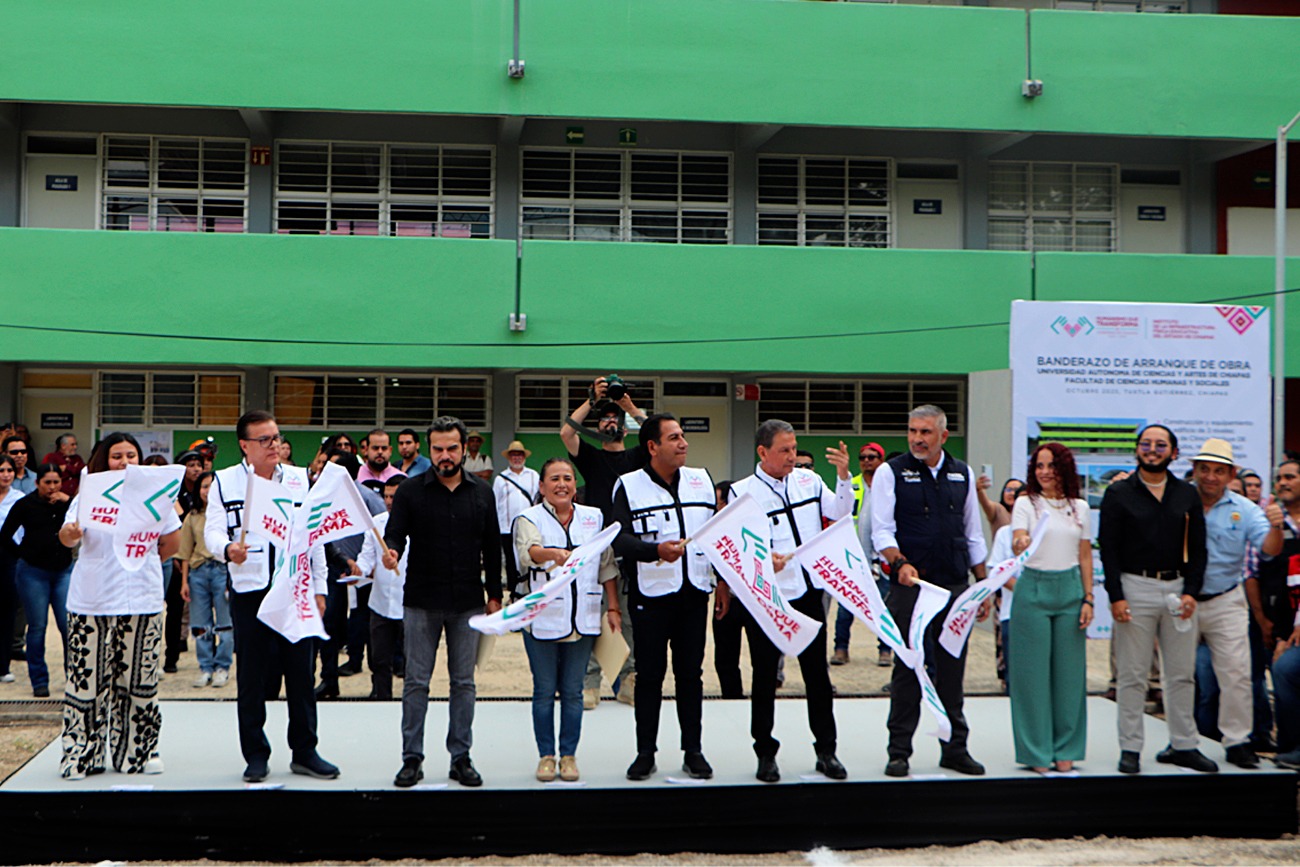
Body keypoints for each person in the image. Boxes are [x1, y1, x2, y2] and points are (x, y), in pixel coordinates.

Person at [206, 411, 337, 783]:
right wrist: (227, 548)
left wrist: (319, 589)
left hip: (294, 588)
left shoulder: (297, 480)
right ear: (245, 445)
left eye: (277, 438)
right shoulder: (225, 482)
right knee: (252, 677)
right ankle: (256, 753)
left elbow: (314, 539)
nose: (273, 446)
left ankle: (305, 750)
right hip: (251, 590)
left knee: (301, 672)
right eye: (264, 440)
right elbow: (213, 531)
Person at [728, 420, 852, 783]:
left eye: (794, 448)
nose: (792, 456)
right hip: (768, 598)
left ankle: (826, 750)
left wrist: (843, 476)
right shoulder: (742, 492)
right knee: (766, 677)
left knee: (817, 675)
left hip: (810, 591)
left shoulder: (809, 481)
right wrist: (765, 558)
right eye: (784, 450)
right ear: (762, 452)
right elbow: (739, 547)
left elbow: (841, 513)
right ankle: (765, 753)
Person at [383, 417, 502, 789]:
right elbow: (395, 535)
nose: (445, 456)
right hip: (420, 601)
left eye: (452, 448)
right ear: (427, 449)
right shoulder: (410, 491)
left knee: (463, 683)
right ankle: (411, 758)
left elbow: (492, 547)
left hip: (468, 602)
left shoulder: (482, 493)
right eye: (438, 449)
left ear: (465, 448)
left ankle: (460, 757)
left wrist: (495, 595)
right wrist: (391, 552)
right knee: (416, 682)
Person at [871, 404, 988, 778]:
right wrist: (898, 562)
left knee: (952, 670)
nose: (917, 439)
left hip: (955, 586)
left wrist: (982, 586)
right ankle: (899, 750)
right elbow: (882, 531)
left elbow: (973, 534)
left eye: (925, 432)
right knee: (908, 668)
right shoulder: (891, 472)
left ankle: (955, 748)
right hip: (913, 587)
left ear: (943, 435)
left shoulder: (962, 474)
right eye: (912, 431)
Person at [57, 435, 181, 778]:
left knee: (139, 678)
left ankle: (137, 752)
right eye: (116, 456)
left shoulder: (156, 499)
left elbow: (172, 542)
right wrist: (72, 532)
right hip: (92, 598)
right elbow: (67, 537)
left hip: (141, 597)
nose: (124, 461)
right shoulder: (88, 494)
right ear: (103, 460)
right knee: (87, 680)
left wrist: (140, 558)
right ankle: (82, 754)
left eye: (131, 455)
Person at [1099, 424, 1214, 774]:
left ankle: (1184, 744)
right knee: (1133, 675)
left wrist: (1192, 591)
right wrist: (1116, 597)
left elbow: (1197, 548)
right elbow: (1109, 550)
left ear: (1173, 453)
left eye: (1160, 445)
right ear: (1137, 450)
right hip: (1135, 589)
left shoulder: (1186, 495)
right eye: (1146, 444)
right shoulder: (1119, 493)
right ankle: (1130, 748)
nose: (1152, 449)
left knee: (1181, 674)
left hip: (1178, 591)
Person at [611, 413, 717, 781]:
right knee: (650, 676)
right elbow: (619, 539)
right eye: (674, 437)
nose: (683, 443)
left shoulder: (701, 480)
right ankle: (645, 752)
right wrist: (655, 550)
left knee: (691, 675)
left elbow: (718, 535)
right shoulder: (628, 485)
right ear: (652, 447)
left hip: (694, 593)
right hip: (651, 597)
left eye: (683, 435)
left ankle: (694, 751)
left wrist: (725, 586)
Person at [513, 457, 621, 782]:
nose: (562, 484)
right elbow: (527, 552)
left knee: (573, 691)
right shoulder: (528, 517)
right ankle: (546, 755)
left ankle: (569, 755)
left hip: (583, 617)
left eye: (568, 478)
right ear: (542, 486)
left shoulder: (594, 517)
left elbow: (606, 565)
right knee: (545, 690)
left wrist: (613, 607)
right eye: (555, 479)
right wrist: (553, 554)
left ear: (576, 485)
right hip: (542, 619)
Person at [1178, 439, 1281, 770]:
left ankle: (1237, 742)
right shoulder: (1176, 501)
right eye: (1204, 469)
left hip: (1225, 598)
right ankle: (1179, 741)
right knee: (1178, 674)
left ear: (1230, 474)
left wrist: (1277, 525)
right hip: (1182, 599)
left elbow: (1270, 549)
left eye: (1218, 471)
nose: (1210, 477)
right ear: (1194, 469)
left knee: (1236, 673)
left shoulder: (1246, 509)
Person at [559, 377, 650, 709]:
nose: (611, 422)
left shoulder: (639, 457)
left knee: (627, 618)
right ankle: (589, 683)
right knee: (591, 613)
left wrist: (629, 408)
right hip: (595, 544)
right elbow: (567, 434)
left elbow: (656, 434)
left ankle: (628, 679)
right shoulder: (592, 458)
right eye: (605, 418)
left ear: (625, 427)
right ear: (598, 426)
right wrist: (591, 401)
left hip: (630, 545)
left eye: (617, 419)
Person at [1007, 443, 1092, 773]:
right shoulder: (1027, 502)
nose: (1044, 471)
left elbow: (1085, 555)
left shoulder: (1080, 507)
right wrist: (1021, 542)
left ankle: (1066, 747)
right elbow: (1018, 537)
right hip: (1033, 588)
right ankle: (1036, 751)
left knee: (1070, 677)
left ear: (1064, 469)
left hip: (1070, 588)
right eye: (1039, 465)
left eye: (1051, 465)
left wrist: (1088, 597)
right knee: (1032, 676)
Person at [314, 449, 385, 698]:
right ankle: (329, 679)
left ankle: (378, 683)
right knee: (329, 625)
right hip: (333, 569)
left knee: (368, 626)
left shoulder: (367, 497)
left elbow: (383, 528)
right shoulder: (322, 498)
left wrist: (369, 563)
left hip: (364, 572)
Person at [1, 463, 72, 697]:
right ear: (37, 483)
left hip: (62, 570)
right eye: (47, 483)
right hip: (33, 572)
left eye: (56, 482)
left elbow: (81, 527)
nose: (52, 487)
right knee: (38, 626)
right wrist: (21, 552)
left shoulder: (67, 504)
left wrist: (68, 501)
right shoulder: (26, 504)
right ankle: (39, 680)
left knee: (67, 625)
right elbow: (6, 533)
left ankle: (73, 677)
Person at [1256, 460, 1300, 768]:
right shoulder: (1267, 519)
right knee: (1282, 672)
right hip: (1281, 623)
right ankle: (1289, 747)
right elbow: (1260, 564)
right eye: (1279, 478)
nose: (1283, 482)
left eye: (1291, 477)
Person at [834, 442, 887, 667]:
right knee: (845, 608)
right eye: (863, 457)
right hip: (853, 557)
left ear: (881, 460)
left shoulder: (888, 488)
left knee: (884, 608)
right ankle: (840, 649)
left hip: (881, 559)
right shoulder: (853, 485)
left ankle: (885, 650)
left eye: (872, 457)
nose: (867, 460)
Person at [356, 475, 408, 700]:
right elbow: (366, 558)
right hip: (380, 602)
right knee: (379, 659)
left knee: (413, 662)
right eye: (385, 496)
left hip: (410, 603)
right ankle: (381, 698)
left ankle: (413, 702)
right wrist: (357, 570)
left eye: (393, 497)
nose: (388, 501)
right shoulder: (375, 524)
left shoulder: (420, 523)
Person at [178, 471, 231, 689]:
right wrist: (184, 582)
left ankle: (222, 667)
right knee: (200, 624)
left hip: (222, 571)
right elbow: (185, 551)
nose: (207, 491)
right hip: (198, 572)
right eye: (204, 487)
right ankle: (205, 667)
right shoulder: (193, 516)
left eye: (211, 486)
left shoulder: (227, 514)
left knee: (225, 623)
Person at [494, 441, 539, 599]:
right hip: (506, 528)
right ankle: (514, 593)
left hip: (528, 528)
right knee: (511, 561)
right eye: (514, 455)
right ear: (509, 457)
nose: (517, 458)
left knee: (529, 558)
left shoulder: (534, 476)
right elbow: (495, 503)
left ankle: (529, 591)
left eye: (519, 455)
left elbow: (538, 500)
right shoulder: (501, 479)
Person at [0, 456, 22, 685]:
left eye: (9, 470)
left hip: (10, 556)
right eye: (1, 470)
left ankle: (3, 666)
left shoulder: (19, 499)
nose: (6, 474)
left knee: (6, 614)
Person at [42, 434, 85, 498]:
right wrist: (74, 469)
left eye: (76, 444)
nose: (75, 447)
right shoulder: (52, 457)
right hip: (57, 497)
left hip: (76, 497)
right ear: (63, 446)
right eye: (72, 445)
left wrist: (67, 468)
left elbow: (83, 471)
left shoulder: (77, 458)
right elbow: (49, 475)